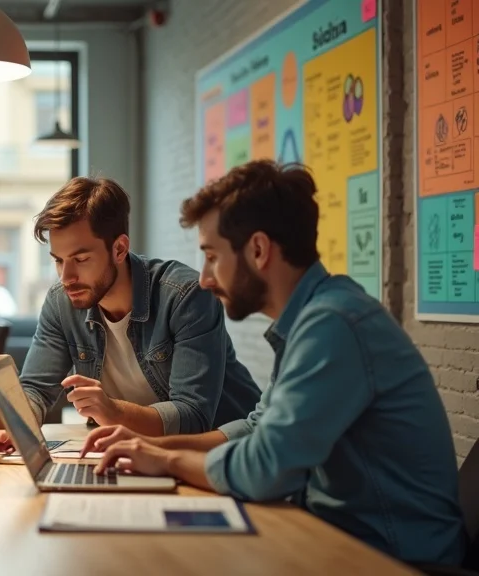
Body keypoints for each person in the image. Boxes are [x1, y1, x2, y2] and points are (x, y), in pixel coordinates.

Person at [86, 160, 466, 566]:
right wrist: (149, 445)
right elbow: (256, 427)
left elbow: (265, 469)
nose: (205, 279)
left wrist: (163, 460)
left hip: (392, 559)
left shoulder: (333, 325)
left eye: (212, 256)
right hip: (342, 539)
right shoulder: (316, 317)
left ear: (259, 250)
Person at [0, 176, 261, 454]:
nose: (66, 277)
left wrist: (113, 410)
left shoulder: (185, 295)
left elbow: (193, 416)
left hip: (225, 455)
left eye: (81, 260)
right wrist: (17, 427)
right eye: (58, 260)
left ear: (119, 248)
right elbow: (35, 388)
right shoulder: (61, 301)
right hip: (137, 451)